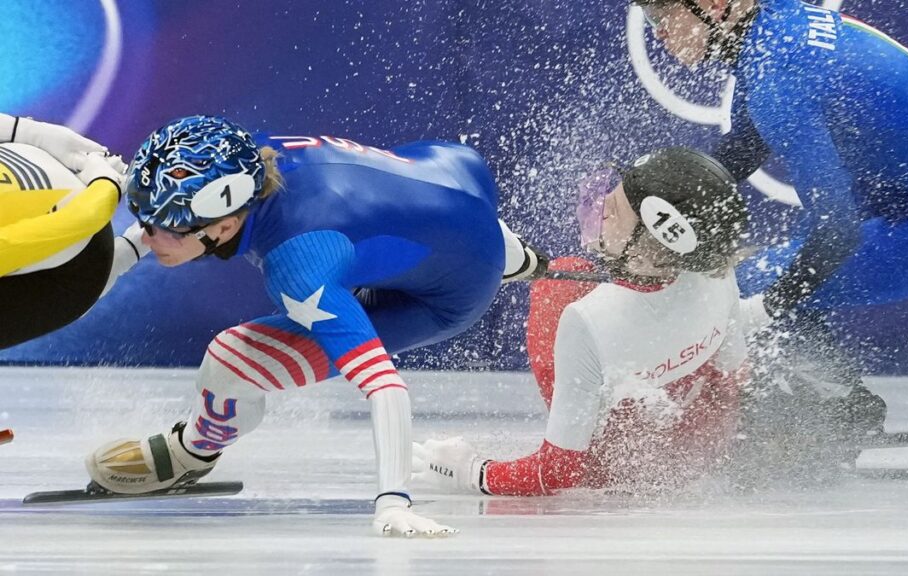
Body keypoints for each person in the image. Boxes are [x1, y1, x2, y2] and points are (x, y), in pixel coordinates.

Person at [84, 115, 547, 537]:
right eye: (145, 218)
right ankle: (513, 254)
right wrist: (119, 258)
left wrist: (392, 501)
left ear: (223, 227)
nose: (148, 236)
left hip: (443, 296)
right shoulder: (248, 156)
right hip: (456, 174)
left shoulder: (299, 266)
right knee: (429, 229)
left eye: (164, 227)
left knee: (229, 361)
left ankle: (192, 452)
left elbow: (385, 387)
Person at [634, 0, 908, 417]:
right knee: (753, 277)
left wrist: (761, 310)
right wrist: (655, 205)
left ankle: (839, 408)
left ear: (717, 7)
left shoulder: (778, 79)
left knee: (744, 286)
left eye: (662, 16)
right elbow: (744, 147)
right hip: (905, 189)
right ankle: (815, 394)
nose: (659, 33)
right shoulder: (768, 27)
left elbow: (838, 234)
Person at [413, 148, 755, 496]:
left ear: (641, 252)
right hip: (705, 445)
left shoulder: (589, 319)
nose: (603, 206)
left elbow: (557, 472)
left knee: (560, 282)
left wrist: (472, 471)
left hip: (620, 467)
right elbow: (735, 376)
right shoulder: (717, 270)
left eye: (615, 211)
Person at [0, 113, 147, 349]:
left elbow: (83, 221)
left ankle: (122, 256)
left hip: (82, 269)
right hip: (51, 175)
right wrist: (105, 181)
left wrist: (29, 131)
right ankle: (130, 249)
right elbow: (82, 219)